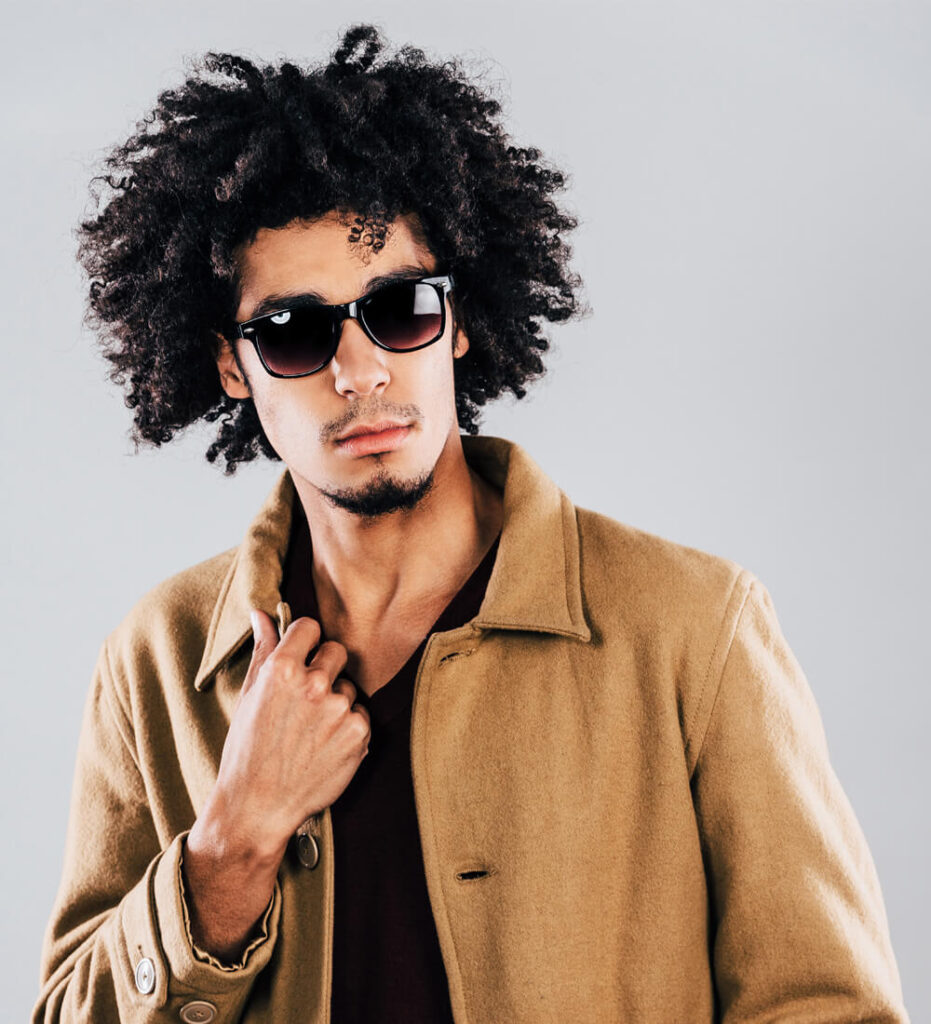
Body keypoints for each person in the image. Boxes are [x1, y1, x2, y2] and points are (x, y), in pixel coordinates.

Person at [34, 24, 909, 1024]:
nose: (360, 371)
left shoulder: (690, 628)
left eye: (399, 308)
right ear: (232, 365)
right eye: (294, 331)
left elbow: (827, 1005)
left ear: (454, 322)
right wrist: (230, 843)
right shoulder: (156, 662)